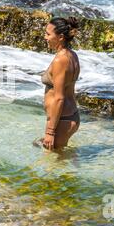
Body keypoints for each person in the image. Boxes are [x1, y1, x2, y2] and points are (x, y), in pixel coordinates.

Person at [40, 17, 80, 150]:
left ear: (61, 37)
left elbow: (59, 97)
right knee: (57, 160)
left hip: (62, 120)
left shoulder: (60, 60)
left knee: (52, 166)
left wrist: (50, 131)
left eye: (48, 34)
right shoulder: (72, 55)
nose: (45, 37)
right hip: (68, 116)